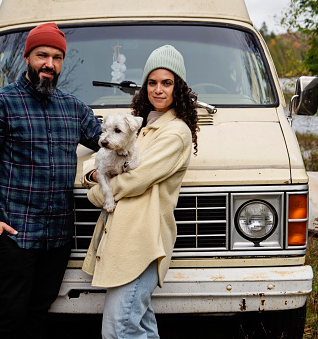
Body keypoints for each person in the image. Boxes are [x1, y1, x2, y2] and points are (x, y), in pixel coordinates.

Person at [0, 22, 101, 339]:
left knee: (39, 315)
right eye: (42, 55)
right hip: (15, 233)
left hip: (57, 237)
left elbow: (109, 143)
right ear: (28, 56)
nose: (49, 64)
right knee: (8, 318)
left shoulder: (73, 109)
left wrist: (159, 123)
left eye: (57, 57)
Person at [82, 44, 199, 338]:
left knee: (118, 329)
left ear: (179, 88)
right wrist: (94, 174)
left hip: (142, 242)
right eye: (152, 82)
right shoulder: (143, 128)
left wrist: (96, 193)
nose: (158, 90)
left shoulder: (175, 133)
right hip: (123, 240)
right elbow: (90, 165)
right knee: (140, 326)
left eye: (167, 83)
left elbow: (135, 180)